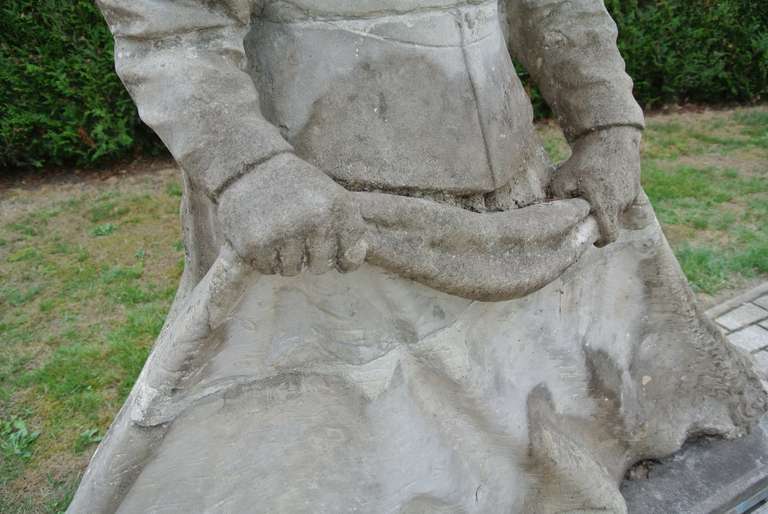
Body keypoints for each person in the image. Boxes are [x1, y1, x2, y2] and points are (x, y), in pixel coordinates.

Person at [68, 1, 766, 512]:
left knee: (519, 396)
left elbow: (558, 6)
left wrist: (609, 123)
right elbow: (171, 23)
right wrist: (248, 168)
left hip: (513, 197)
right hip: (330, 222)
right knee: (344, 436)